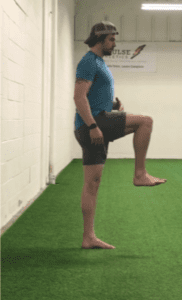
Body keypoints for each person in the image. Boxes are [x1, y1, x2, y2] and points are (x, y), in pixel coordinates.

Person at [74, 21, 167, 249]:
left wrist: (113, 104)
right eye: (112, 40)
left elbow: (93, 94)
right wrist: (94, 126)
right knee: (145, 122)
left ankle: (88, 237)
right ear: (100, 39)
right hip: (93, 124)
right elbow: (79, 97)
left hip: (97, 120)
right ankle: (140, 174)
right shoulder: (88, 62)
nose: (114, 44)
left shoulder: (99, 62)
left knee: (92, 184)